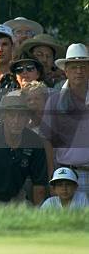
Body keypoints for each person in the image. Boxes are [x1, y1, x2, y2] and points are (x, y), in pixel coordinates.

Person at [41, 43, 89, 195]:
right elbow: (47, 140)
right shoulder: (54, 101)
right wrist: (51, 175)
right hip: (66, 173)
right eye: (74, 67)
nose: (79, 71)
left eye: (83, 66)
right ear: (66, 71)